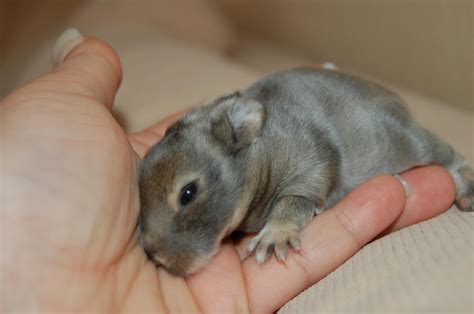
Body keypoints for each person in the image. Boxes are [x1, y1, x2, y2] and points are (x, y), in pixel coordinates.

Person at [1, 31, 456, 313]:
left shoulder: (269, 145)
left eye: (187, 195)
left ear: (241, 138)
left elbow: (319, 163)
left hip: (351, 126)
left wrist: (285, 219)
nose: (155, 246)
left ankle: (457, 162)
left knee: (406, 142)